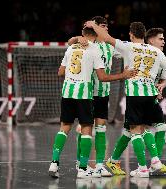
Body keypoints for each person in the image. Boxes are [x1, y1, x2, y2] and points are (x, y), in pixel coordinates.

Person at [85, 21, 166, 177]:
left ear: (131, 34)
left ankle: (144, 167)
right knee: (135, 130)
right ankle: (141, 160)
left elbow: (106, 37)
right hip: (150, 95)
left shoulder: (128, 46)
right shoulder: (155, 51)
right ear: (145, 35)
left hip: (135, 95)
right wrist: (159, 75)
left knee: (136, 131)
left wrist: (93, 24)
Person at [48, 25, 137, 179]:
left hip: (68, 93)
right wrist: (123, 75)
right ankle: (82, 168)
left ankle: (54, 163)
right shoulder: (94, 49)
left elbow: (60, 72)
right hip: (84, 95)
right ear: (96, 34)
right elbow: (102, 77)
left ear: (83, 34)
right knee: (87, 129)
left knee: (65, 128)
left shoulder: (71, 49)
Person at [68, 16, 120, 177]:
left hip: (103, 93)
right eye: (102, 26)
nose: (106, 29)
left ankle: (99, 165)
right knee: (85, 130)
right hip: (88, 93)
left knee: (101, 129)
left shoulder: (111, 46)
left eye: (106, 26)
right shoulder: (86, 43)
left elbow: (129, 50)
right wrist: (77, 37)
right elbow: (70, 42)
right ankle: (80, 162)